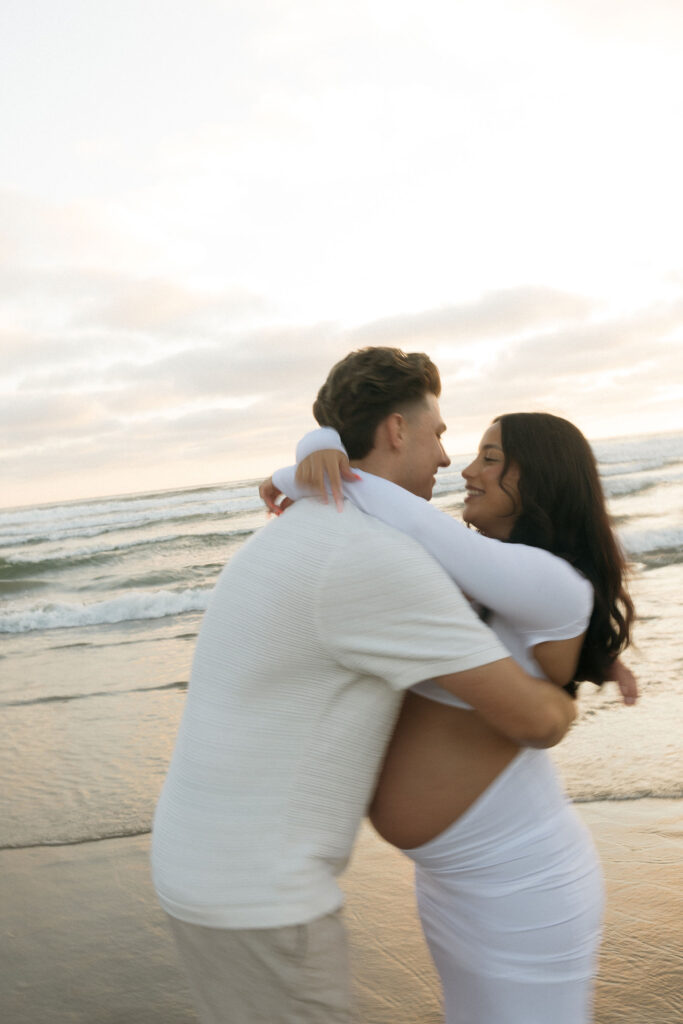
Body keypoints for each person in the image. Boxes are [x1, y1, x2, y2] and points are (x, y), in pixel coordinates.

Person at [150, 348, 577, 1024]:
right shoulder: (369, 557)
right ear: (397, 431)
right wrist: (567, 680)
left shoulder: (316, 522)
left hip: (215, 872)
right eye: (437, 433)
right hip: (259, 899)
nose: (446, 458)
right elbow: (535, 721)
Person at [265, 408, 634, 1023]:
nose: (466, 469)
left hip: (521, 890)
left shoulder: (543, 579)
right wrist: (317, 448)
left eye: (490, 458)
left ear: (539, 480)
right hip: (455, 882)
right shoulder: (489, 577)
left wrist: (315, 455)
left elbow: (402, 516)